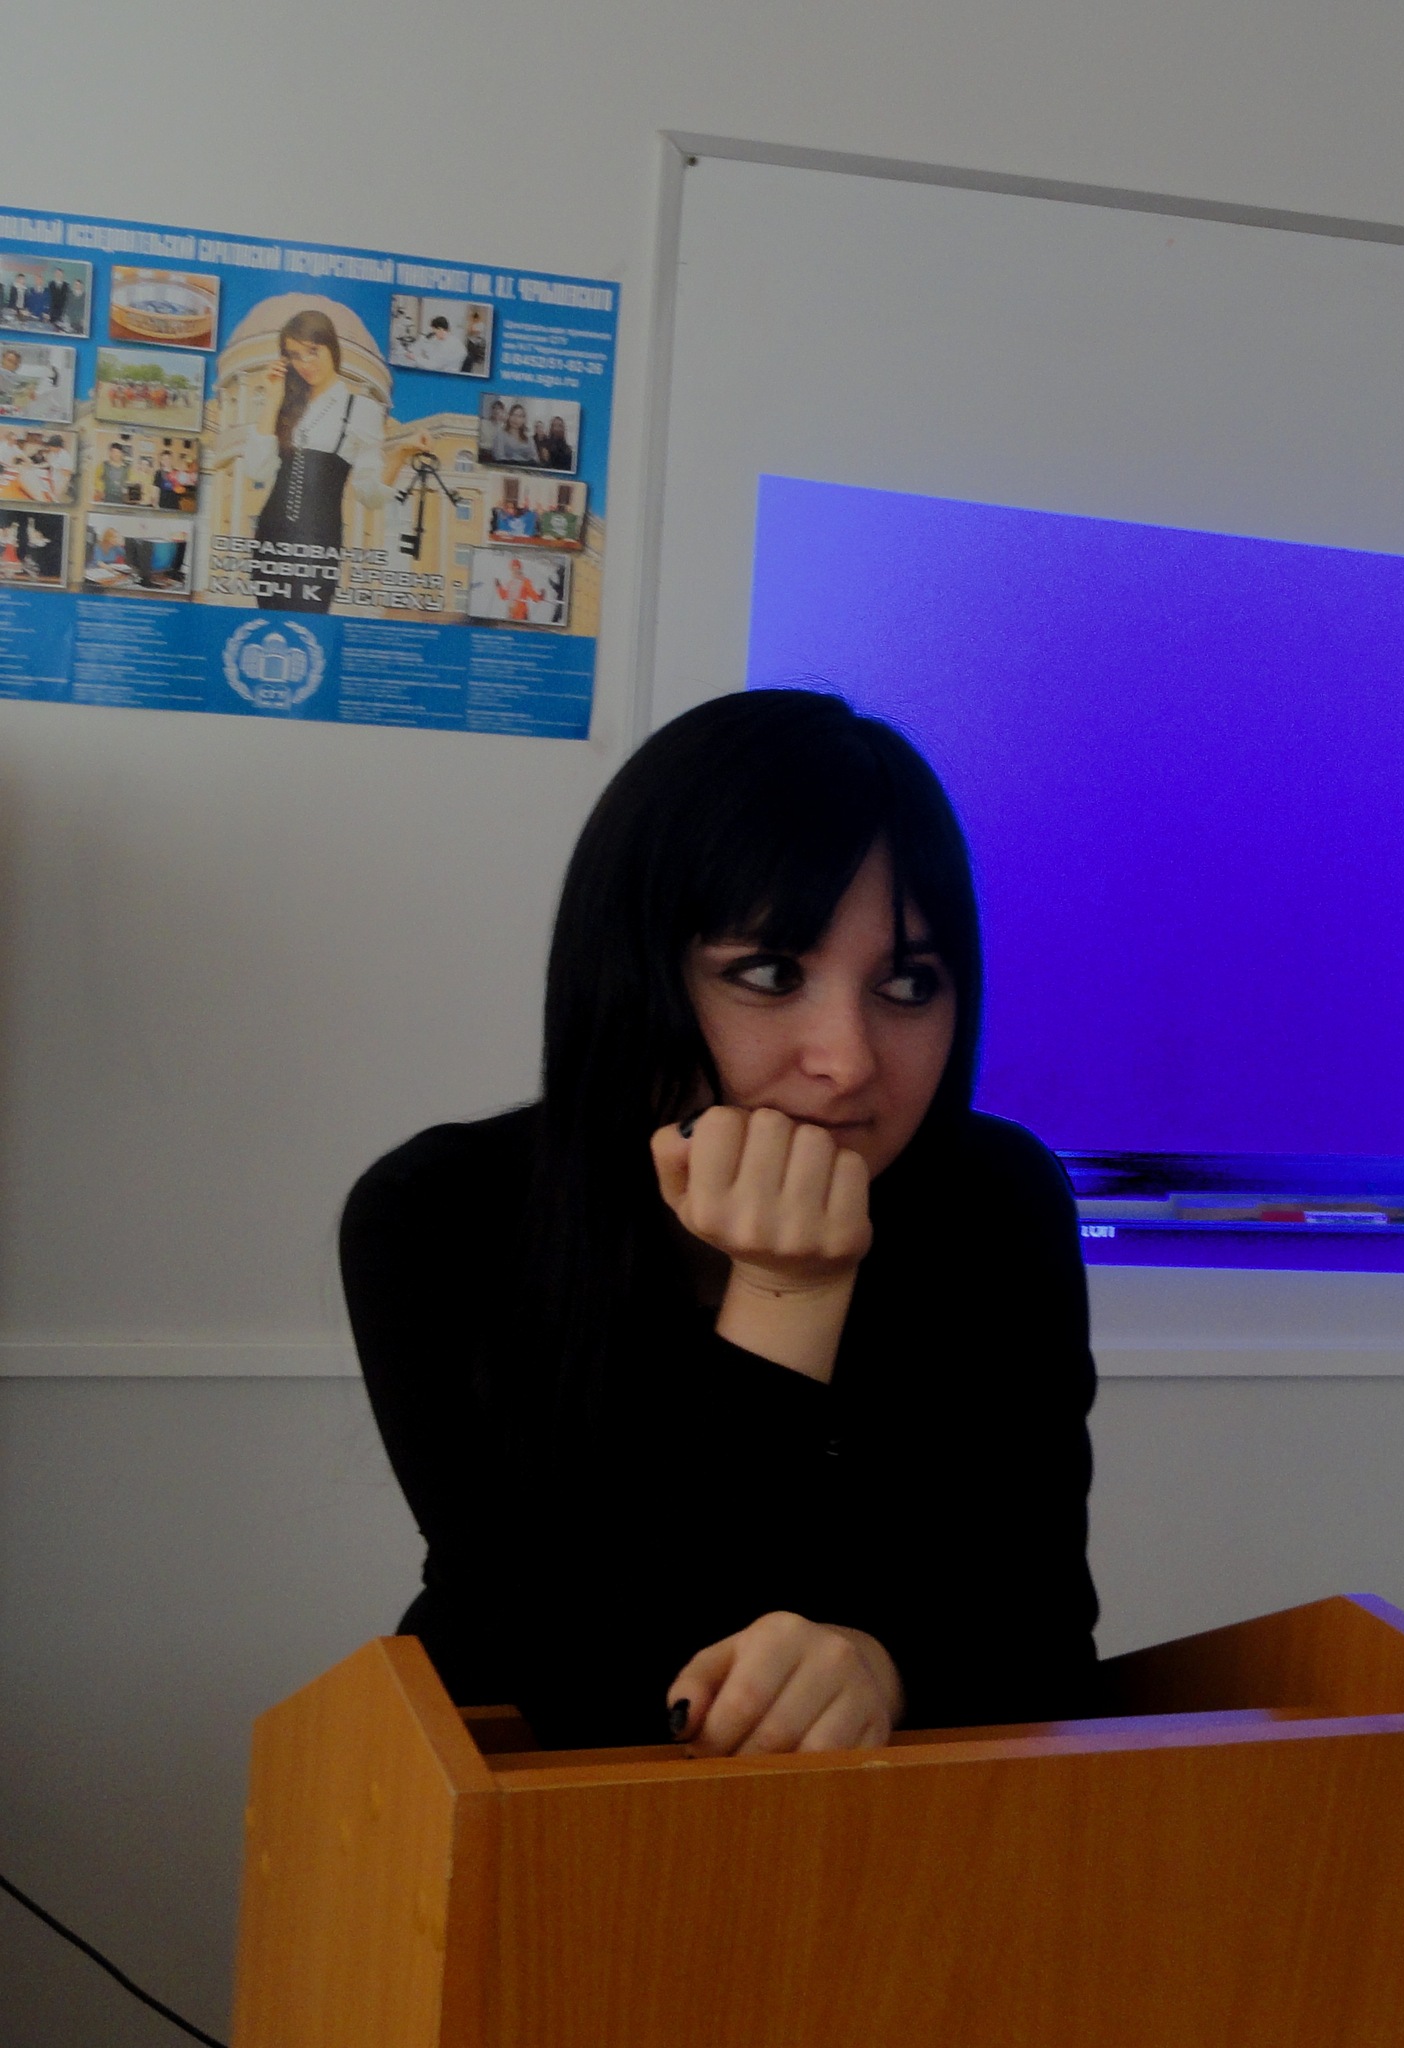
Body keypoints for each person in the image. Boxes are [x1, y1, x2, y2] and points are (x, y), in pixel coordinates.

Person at [341, 690, 1100, 1757]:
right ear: (632, 975)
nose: (847, 1060)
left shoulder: (993, 1198)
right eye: (770, 974)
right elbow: (577, 1675)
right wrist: (788, 1295)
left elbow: (1042, 1636)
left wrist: (888, 1668)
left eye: (905, 984)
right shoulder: (441, 1212)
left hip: (897, 1831)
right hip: (516, 1813)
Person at [240, 308, 391, 613]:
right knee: (270, 623)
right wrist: (272, 399)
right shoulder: (286, 404)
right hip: (270, 540)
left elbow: (370, 495)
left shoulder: (361, 409)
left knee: (308, 626)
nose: (305, 363)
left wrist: (402, 454)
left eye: (313, 351)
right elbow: (256, 470)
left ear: (331, 347)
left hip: (319, 546)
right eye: (295, 356)